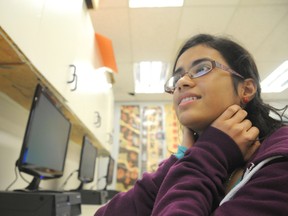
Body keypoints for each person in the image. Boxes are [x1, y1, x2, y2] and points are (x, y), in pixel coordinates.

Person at [94, 34, 288, 216]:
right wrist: (182, 159)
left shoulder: (280, 160)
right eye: (178, 77)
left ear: (246, 88)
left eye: (202, 68)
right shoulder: (208, 155)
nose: (182, 82)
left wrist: (209, 154)